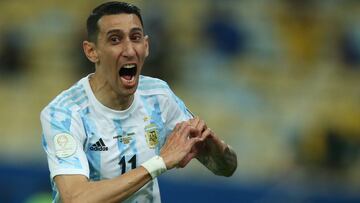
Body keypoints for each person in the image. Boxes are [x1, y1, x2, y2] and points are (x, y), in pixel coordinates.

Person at [40, 1, 237, 202]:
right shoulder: (64, 113)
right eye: (115, 39)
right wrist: (159, 163)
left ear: (146, 46)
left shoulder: (158, 96)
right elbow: (76, 198)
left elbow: (226, 168)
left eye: (135, 38)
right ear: (92, 51)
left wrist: (214, 147)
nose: (129, 50)